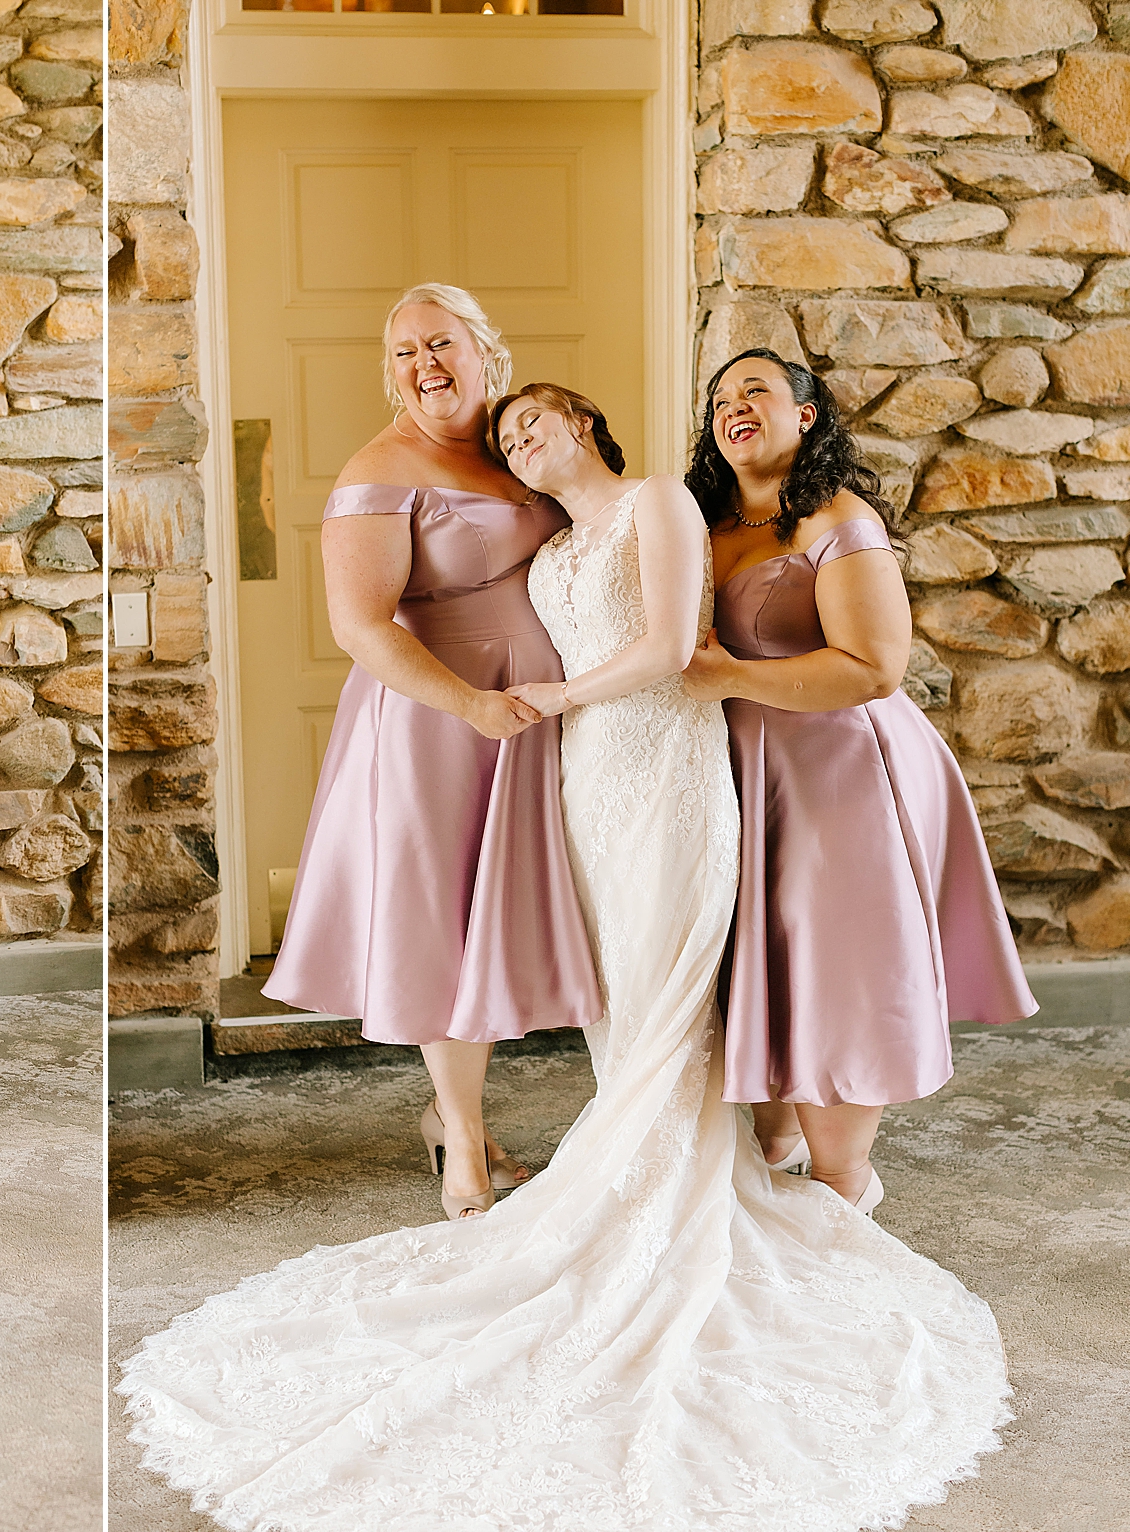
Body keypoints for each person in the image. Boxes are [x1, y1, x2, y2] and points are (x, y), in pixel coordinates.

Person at [119, 384, 1008, 1532]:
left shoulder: (656, 506)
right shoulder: (558, 536)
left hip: (665, 764)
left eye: (534, 419)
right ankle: (653, 1166)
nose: (518, 441)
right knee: (618, 999)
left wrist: (548, 694)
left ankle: (672, 1192)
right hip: (587, 776)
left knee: (667, 990)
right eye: (505, 437)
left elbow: (663, 650)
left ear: (586, 420)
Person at [263, 283, 600, 1218]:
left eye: (440, 343)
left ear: (485, 348)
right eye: (405, 353)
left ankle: (463, 1121)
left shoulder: (524, 449)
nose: (425, 366)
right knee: (450, 926)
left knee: (506, 919)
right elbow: (362, 628)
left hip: (545, 714)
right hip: (440, 722)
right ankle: (461, 1140)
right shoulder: (377, 472)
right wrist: (470, 706)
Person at [680, 348, 1035, 1209]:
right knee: (760, 959)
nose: (734, 407)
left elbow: (873, 669)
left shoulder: (837, 520)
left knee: (835, 963)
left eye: (755, 392)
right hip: (742, 773)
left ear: (807, 416)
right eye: (722, 398)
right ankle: (775, 1155)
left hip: (839, 769)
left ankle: (844, 1187)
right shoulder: (704, 522)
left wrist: (725, 677)